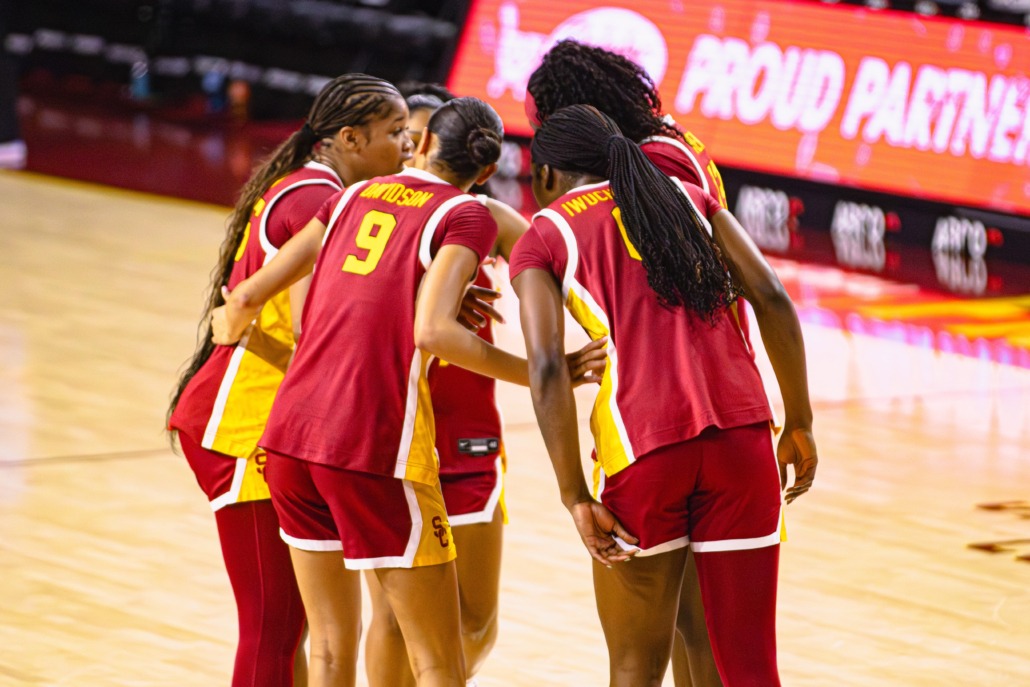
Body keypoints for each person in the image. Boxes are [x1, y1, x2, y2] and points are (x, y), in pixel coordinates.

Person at [210, 96, 602, 687]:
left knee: (328, 649)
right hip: (372, 445)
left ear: (421, 145)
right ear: (489, 171)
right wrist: (547, 372)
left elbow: (242, 302)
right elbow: (434, 331)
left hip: (290, 438)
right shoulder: (468, 215)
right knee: (438, 659)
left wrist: (243, 335)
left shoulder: (346, 196)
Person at [508, 105, 818, 687]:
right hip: (743, 441)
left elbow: (547, 365)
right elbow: (773, 297)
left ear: (545, 175)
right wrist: (798, 420)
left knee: (636, 666)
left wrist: (574, 495)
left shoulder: (545, 233)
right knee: (750, 667)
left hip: (643, 452)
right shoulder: (686, 197)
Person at [167, 73, 414, 687]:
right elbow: (316, 333)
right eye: (396, 134)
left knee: (292, 625)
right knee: (274, 625)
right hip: (243, 425)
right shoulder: (312, 201)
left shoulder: (316, 189)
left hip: (267, 423)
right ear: (350, 139)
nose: (408, 147)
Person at [525, 39, 732, 686]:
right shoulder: (670, 146)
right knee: (693, 629)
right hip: (708, 400)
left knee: (681, 639)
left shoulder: (653, 166)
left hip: (666, 411)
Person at [362, 84, 531, 687]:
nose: (412, 148)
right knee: (389, 614)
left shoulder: (482, 218)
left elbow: (559, 266)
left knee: (476, 620)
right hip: (396, 429)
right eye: (404, 135)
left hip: (467, 435)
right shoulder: (371, 207)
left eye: (419, 135)